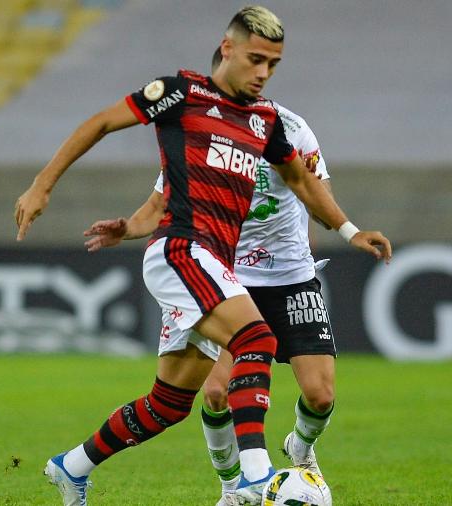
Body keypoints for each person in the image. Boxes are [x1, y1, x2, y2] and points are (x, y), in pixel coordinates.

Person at [13, 6, 392, 505]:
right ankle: (255, 481)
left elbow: (301, 180)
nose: (263, 73)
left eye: (273, 64)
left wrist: (349, 231)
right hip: (180, 250)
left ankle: (72, 466)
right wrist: (42, 187)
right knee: (256, 337)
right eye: (256, 59)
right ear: (227, 48)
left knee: (168, 404)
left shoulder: (266, 122)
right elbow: (102, 122)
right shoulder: (182, 94)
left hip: (214, 263)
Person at [83, 47, 339, 506]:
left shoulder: (290, 129)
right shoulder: (200, 129)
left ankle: (299, 448)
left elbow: (313, 195)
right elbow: (161, 201)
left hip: (289, 274)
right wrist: (127, 228)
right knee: (216, 391)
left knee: (320, 395)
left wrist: (329, 244)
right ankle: (234, 489)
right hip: (226, 274)